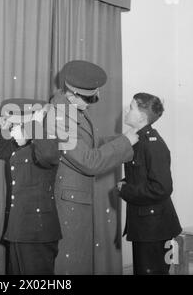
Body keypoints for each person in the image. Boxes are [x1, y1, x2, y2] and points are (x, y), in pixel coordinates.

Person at [48, 60, 139, 274]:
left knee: (80, 261)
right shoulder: (59, 117)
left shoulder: (74, 109)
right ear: (72, 93)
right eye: (89, 98)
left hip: (77, 200)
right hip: (68, 204)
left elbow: (91, 144)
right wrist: (125, 143)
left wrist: (124, 140)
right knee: (71, 265)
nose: (91, 103)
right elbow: (88, 161)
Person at [0, 98, 62, 275]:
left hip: (37, 231)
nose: (13, 130)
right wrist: (0, 127)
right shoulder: (21, 144)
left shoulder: (47, 139)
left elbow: (48, 155)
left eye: (15, 124)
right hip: (18, 229)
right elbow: (1, 150)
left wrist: (34, 127)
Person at [117, 93, 182, 275]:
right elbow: (142, 178)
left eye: (131, 108)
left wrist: (126, 190)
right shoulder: (139, 140)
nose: (126, 111)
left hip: (154, 228)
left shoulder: (152, 144)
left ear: (142, 117)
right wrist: (125, 183)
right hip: (147, 225)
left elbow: (162, 187)